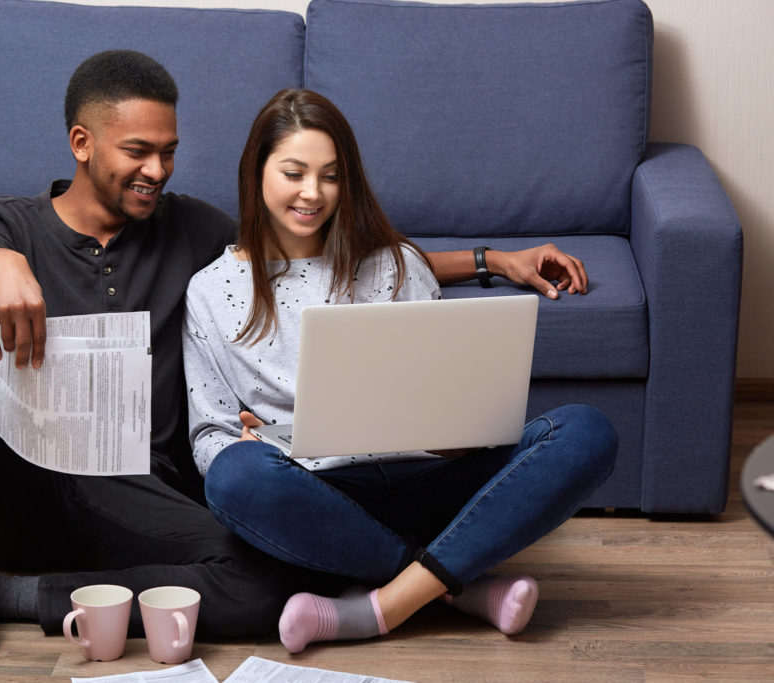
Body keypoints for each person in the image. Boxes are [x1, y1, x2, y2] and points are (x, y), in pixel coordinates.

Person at [0, 52, 596, 683]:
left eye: (170, 150)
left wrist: (490, 260)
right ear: (81, 143)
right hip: (34, 485)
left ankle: (22, 596)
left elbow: (311, 248)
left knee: (267, 579)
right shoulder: (15, 224)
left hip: (142, 490)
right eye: (138, 151)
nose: (158, 169)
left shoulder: (189, 230)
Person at [182, 89, 618, 654]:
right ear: (256, 171)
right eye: (293, 172)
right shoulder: (211, 291)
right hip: (319, 493)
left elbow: (447, 394)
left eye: (331, 176)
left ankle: (384, 605)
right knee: (235, 475)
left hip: (431, 480)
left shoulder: (397, 264)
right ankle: (457, 587)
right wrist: (244, 445)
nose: (312, 193)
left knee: (586, 431)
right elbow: (208, 433)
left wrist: (463, 430)